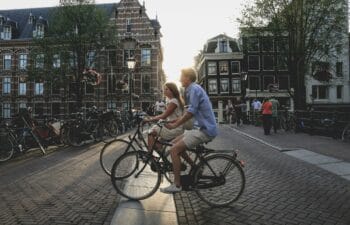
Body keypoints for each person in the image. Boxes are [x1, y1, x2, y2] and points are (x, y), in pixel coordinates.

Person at [161, 67, 218, 193]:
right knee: (174, 143)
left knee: (174, 150)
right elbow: (188, 112)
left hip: (205, 130)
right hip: (201, 128)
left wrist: (175, 125)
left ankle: (176, 185)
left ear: (187, 78)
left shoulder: (194, 89)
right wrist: (173, 121)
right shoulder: (192, 89)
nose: (180, 79)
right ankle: (196, 167)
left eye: (181, 76)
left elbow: (191, 113)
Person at [144, 82, 184, 151]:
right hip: (172, 126)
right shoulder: (172, 100)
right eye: (164, 89)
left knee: (150, 133)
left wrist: (149, 120)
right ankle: (162, 160)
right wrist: (153, 119)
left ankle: (150, 157)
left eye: (166, 89)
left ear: (172, 91)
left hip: (174, 128)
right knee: (158, 143)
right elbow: (164, 116)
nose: (164, 91)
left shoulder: (174, 101)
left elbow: (164, 116)